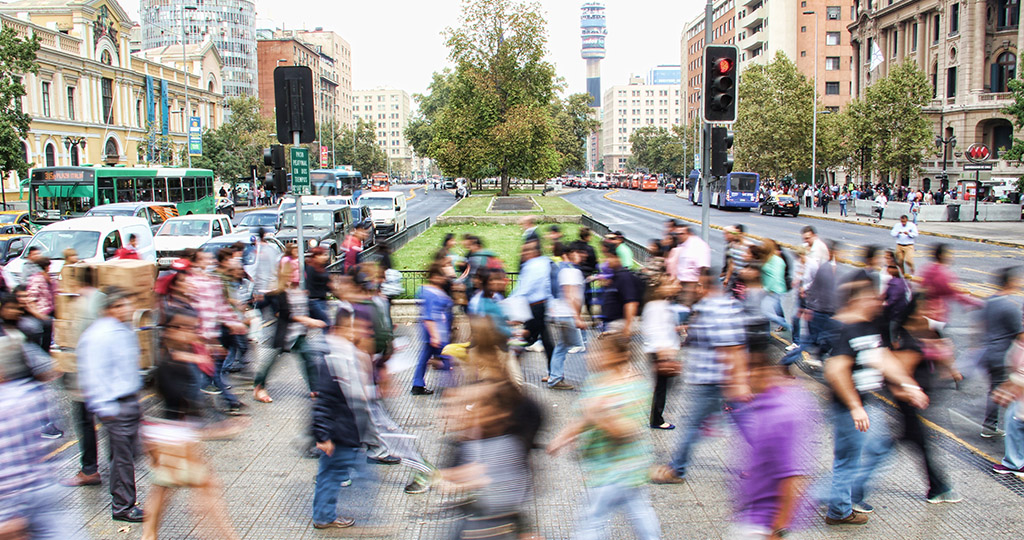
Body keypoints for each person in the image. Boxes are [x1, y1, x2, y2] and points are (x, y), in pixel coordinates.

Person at [823, 281, 929, 526]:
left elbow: (883, 358)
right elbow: (836, 370)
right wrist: (854, 405)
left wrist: (910, 386)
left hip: (865, 402)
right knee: (848, 460)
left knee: (878, 449)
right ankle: (836, 508)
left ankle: (843, 499)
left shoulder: (867, 327)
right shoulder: (847, 329)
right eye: (873, 299)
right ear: (859, 301)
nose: (879, 303)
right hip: (851, 406)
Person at [548, 332, 661, 540]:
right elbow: (584, 417)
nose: (588, 357)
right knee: (639, 510)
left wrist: (600, 416)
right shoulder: (596, 381)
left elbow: (628, 430)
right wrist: (563, 436)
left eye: (596, 353)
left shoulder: (633, 387)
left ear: (615, 356)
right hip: (614, 468)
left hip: (616, 468)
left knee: (593, 518)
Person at [652, 268, 748, 484]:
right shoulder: (712, 306)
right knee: (739, 422)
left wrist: (736, 382)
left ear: (704, 286)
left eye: (696, 285)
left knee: (693, 425)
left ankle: (677, 469)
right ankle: (766, 463)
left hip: (713, 381)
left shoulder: (716, 308)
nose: (693, 288)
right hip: (710, 379)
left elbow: (731, 347)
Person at [728, 332, 814, 539]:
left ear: (759, 371)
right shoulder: (777, 400)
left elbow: (793, 477)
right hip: (755, 516)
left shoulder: (780, 415)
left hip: (764, 524)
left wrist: (778, 530)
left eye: (740, 371)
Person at [78, 286, 146, 522]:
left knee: (128, 455)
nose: (127, 309)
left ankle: (123, 498)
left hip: (128, 401)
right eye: (122, 305)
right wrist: (106, 408)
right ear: (110, 309)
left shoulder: (123, 330)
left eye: (128, 304)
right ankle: (123, 506)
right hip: (115, 406)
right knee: (122, 459)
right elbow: (94, 374)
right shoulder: (99, 335)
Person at [890, 293, 963, 504]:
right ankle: (938, 487)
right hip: (909, 398)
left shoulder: (931, 328)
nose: (929, 311)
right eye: (925, 307)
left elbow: (944, 351)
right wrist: (908, 392)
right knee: (920, 442)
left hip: (923, 395)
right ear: (914, 310)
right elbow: (899, 373)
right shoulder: (904, 335)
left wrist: (952, 370)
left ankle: (938, 487)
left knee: (909, 439)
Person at [59, 266, 107, 487]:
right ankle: (116, 464)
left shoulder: (80, 303)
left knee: (85, 421)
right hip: (103, 374)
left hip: (86, 375)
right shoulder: (103, 299)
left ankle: (89, 470)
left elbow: (77, 341)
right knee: (107, 420)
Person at [978, 267, 1023, 439]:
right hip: (1003, 355)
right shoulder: (1010, 307)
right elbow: (1020, 335)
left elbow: (981, 326)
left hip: (989, 351)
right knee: (1004, 391)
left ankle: (990, 424)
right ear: (1011, 282)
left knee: (996, 390)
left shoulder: (990, 301)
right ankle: (990, 426)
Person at [643, 275, 682, 430]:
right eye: (669, 284)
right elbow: (653, 331)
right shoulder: (655, 306)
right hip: (660, 352)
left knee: (664, 386)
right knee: (661, 387)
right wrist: (662, 355)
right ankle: (657, 419)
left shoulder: (662, 304)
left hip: (664, 351)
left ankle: (657, 416)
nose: (674, 286)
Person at [510, 240, 554, 374]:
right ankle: (554, 372)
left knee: (526, 338)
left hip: (534, 307)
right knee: (545, 341)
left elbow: (524, 288)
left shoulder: (533, 265)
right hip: (539, 306)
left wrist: (509, 303)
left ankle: (509, 366)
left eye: (527, 250)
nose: (524, 253)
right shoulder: (545, 262)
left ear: (535, 251)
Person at [546, 243, 585, 390]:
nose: (581, 256)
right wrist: (577, 318)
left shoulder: (560, 268)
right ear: (569, 254)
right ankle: (555, 377)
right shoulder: (570, 271)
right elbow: (571, 295)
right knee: (578, 346)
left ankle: (554, 376)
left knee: (563, 346)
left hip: (560, 313)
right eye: (578, 253)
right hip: (567, 315)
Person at [411, 262, 454, 395]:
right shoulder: (432, 293)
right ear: (434, 276)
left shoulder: (428, 291)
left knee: (425, 358)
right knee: (445, 357)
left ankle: (418, 384)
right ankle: (449, 386)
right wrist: (435, 335)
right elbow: (429, 315)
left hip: (434, 332)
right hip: (436, 333)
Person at [598, 240, 640, 336]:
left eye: (609, 257)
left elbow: (631, 302)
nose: (607, 261)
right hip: (614, 323)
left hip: (620, 324)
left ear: (617, 258)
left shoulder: (624, 277)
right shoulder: (615, 277)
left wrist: (627, 326)